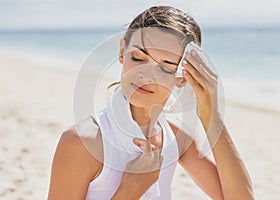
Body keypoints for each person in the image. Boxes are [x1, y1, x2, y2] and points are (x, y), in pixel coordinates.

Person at [48, 6, 254, 200]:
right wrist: (130, 191)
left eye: (165, 67)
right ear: (122, 51)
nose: (145, 75)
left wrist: (211, 116)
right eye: (138, 58)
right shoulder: (83, 142)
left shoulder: (176, 138)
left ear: (184, 76)